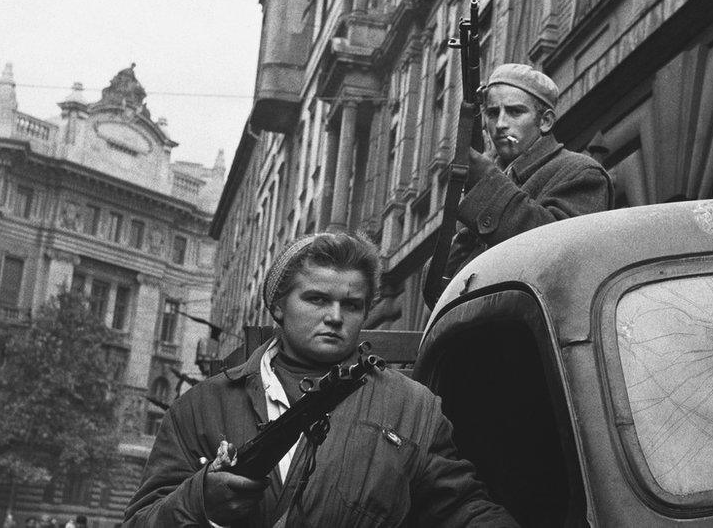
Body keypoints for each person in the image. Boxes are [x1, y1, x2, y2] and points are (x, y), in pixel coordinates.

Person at [123, 231, 517, 526]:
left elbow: (462, 509)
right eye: (316, 299)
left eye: (351, 304)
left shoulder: (412, 406)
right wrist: (199, 500)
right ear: (278, 306)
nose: (335, 316)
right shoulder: (203, 405)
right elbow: (140, 521)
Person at [447, 63, 613, 275]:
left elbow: (556, 255)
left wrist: (486, 187)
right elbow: (444, 285)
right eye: (492, 113)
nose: (499, 124)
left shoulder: (581, 172)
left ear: (545, 121)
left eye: (515, 112)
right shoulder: (494, 177)